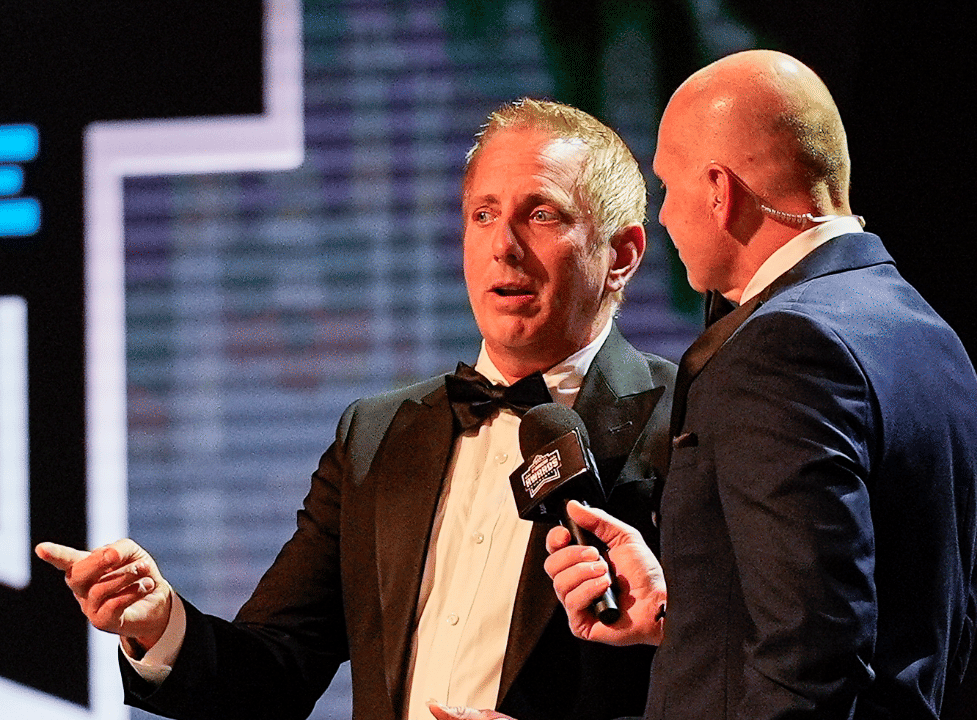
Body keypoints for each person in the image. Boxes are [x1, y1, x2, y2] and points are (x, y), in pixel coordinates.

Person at [36, 98, 675, 720]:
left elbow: (745, 677)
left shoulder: (685, 420)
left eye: (541, 215)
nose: (502, 246)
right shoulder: (377, 436)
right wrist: (159, 624)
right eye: (483, 215)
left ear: (620, 255)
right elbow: (274, 671)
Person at [435, 49, 977, 720]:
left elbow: (808, 671)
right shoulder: (927, 333)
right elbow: (863, 622)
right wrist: (685, 611)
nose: (666, 217)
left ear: (718, 191)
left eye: (669, 188)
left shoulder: (782, 350)